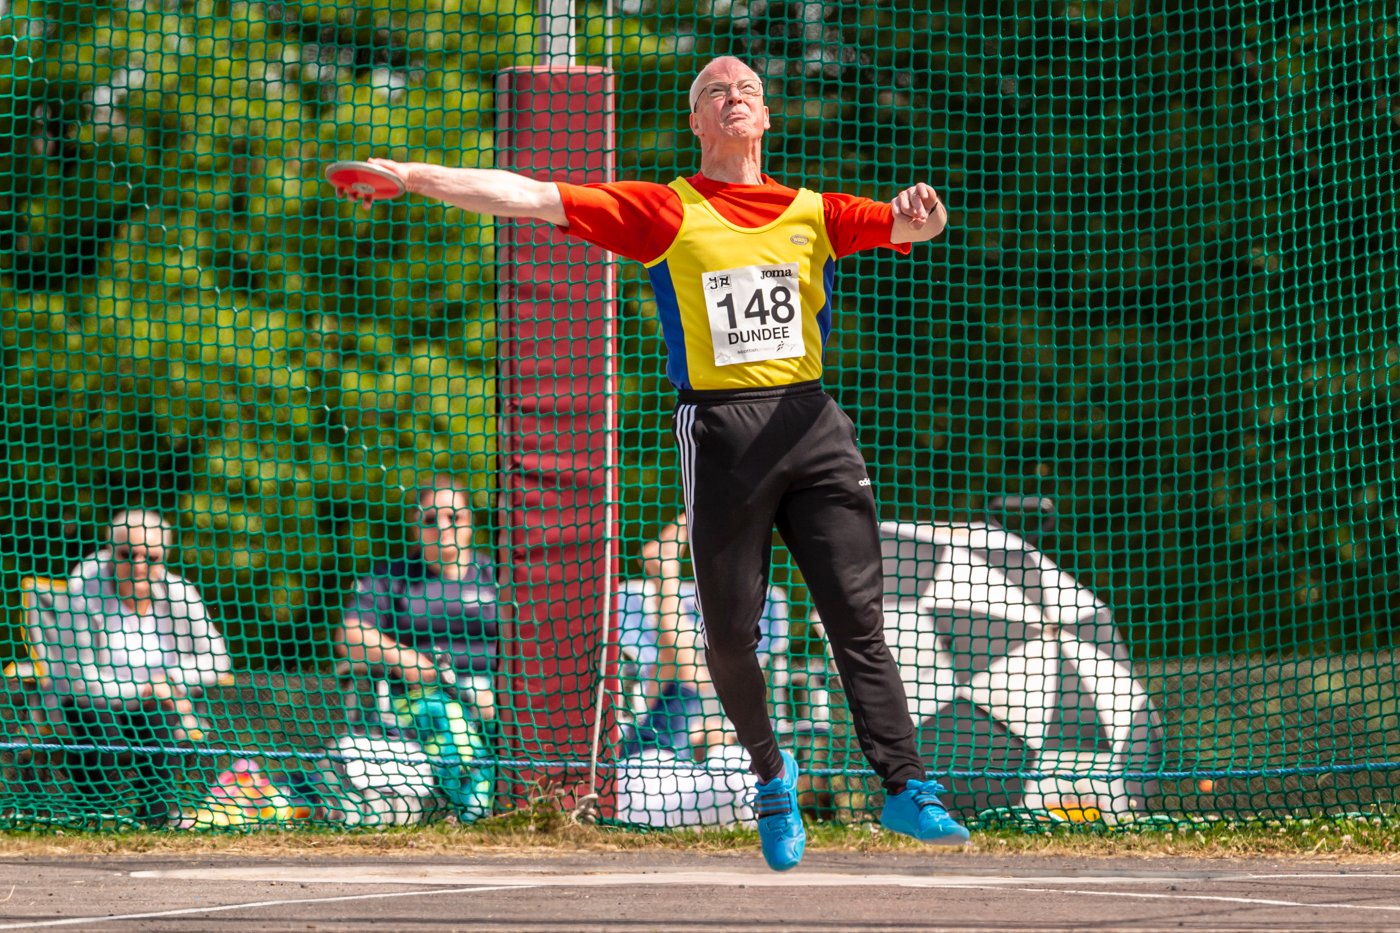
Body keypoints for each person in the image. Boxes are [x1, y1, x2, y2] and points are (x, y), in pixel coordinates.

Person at [351, 54, 968, 870]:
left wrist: (926, 214)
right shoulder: (664, 210)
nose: (733, 96)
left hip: (812, 425)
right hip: (719, 435)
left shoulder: (814, 212)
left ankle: (907, 787)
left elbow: (912, 226)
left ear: (767, 116)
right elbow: (532, 196)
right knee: (728, 634)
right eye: (715, 90)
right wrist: (410, 175)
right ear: (697, 122)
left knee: (858, 622)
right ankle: (771, 778)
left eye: (747, 88)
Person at [330, 475, 498, 822]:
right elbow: (349, 634)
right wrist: (402, 656)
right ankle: (473, 812)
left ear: (471, 522)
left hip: (497, 697)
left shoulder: (498, 575)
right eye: (430, 519)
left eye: (455, 517)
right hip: (418, 698)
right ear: (414, 528)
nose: (443, 526)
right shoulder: (391, 577)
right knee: (444, 716)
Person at [53, 509, 232, 827]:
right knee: (105, 737)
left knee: (158, 722)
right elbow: (81, 678)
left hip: (157, 703)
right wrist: (148, 688)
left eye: (150, 557)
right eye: (127, 554)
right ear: (111, 552)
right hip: (91, 702)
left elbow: (218, 660)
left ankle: (156, 818)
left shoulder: (178, 593)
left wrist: (171, 680)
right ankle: (95, 818)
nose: (138, 565)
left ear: (164, 557)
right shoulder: (83, 592)